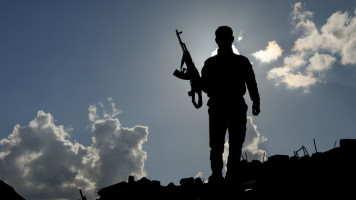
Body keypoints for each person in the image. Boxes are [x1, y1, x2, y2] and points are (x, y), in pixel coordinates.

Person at [200, 26, 260, 184]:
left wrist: (256, 101)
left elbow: (251, 83)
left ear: (231, 40)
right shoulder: (212, 63)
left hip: (233, 104)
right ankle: (218, 176)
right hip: (221, 105)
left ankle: (230, 175)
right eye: (222, 38)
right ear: (217, 41)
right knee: (218, 144)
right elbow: (204, 85)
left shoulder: (240, 61)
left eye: (226, 38)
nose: (224, 41)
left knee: (235, 143)